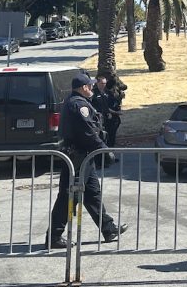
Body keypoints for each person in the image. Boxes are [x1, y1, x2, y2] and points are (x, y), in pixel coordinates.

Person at [48, 73, 128, 249]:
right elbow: (88, 133)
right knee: (68, 196)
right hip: (77, 158)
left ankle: (109, 229)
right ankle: (53, 237)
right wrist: (104, 150)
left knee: (92, 194)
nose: (91, 87)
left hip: (84, 157)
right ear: (83, 87)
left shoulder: (75, 101)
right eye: (89, 85)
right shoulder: (78, 105)